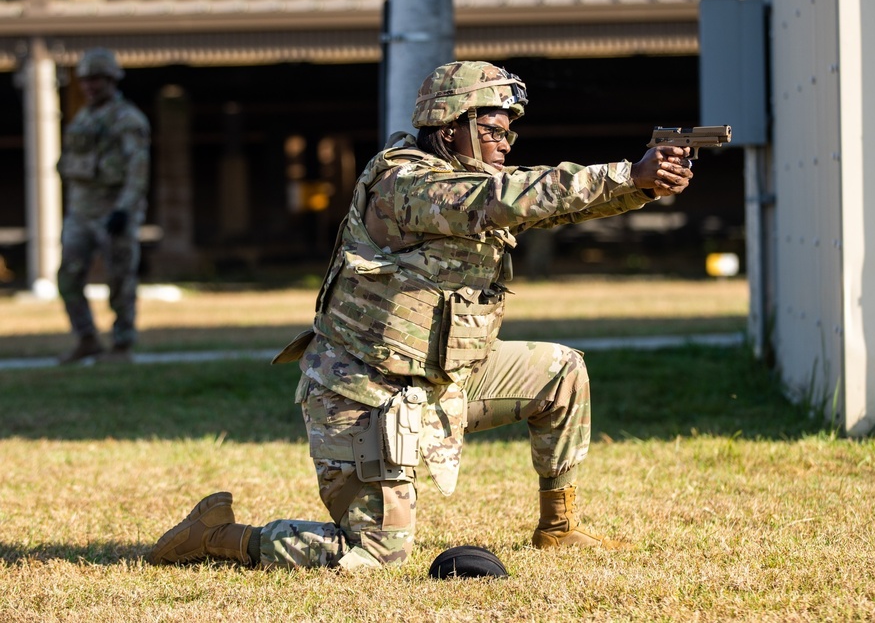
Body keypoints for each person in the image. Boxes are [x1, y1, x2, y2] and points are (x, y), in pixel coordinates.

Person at [149, 61, 693, 570]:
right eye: (494, 130)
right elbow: (506, 197)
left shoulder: (470, 184)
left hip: (443, 376)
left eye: (509, 133)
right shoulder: (406, 184)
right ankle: (219, 536)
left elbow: (541, 203)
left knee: (561, 372)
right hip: (364, 392)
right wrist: (626, 171)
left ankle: (559, 525)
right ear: (449, 125)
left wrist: (640, 186)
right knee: (377, 553)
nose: (506, 143)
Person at [56, 47, 151, 364]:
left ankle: (122, 345)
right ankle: (86, 339)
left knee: (120, 279)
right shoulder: (83, 116)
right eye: (85, 80)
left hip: (114, 212)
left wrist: (124, 209)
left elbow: (138, 169)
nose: (89, 86)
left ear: (111, 79)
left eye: (96, 79)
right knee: (67, 276)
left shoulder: (127, 119)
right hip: (81, 213)